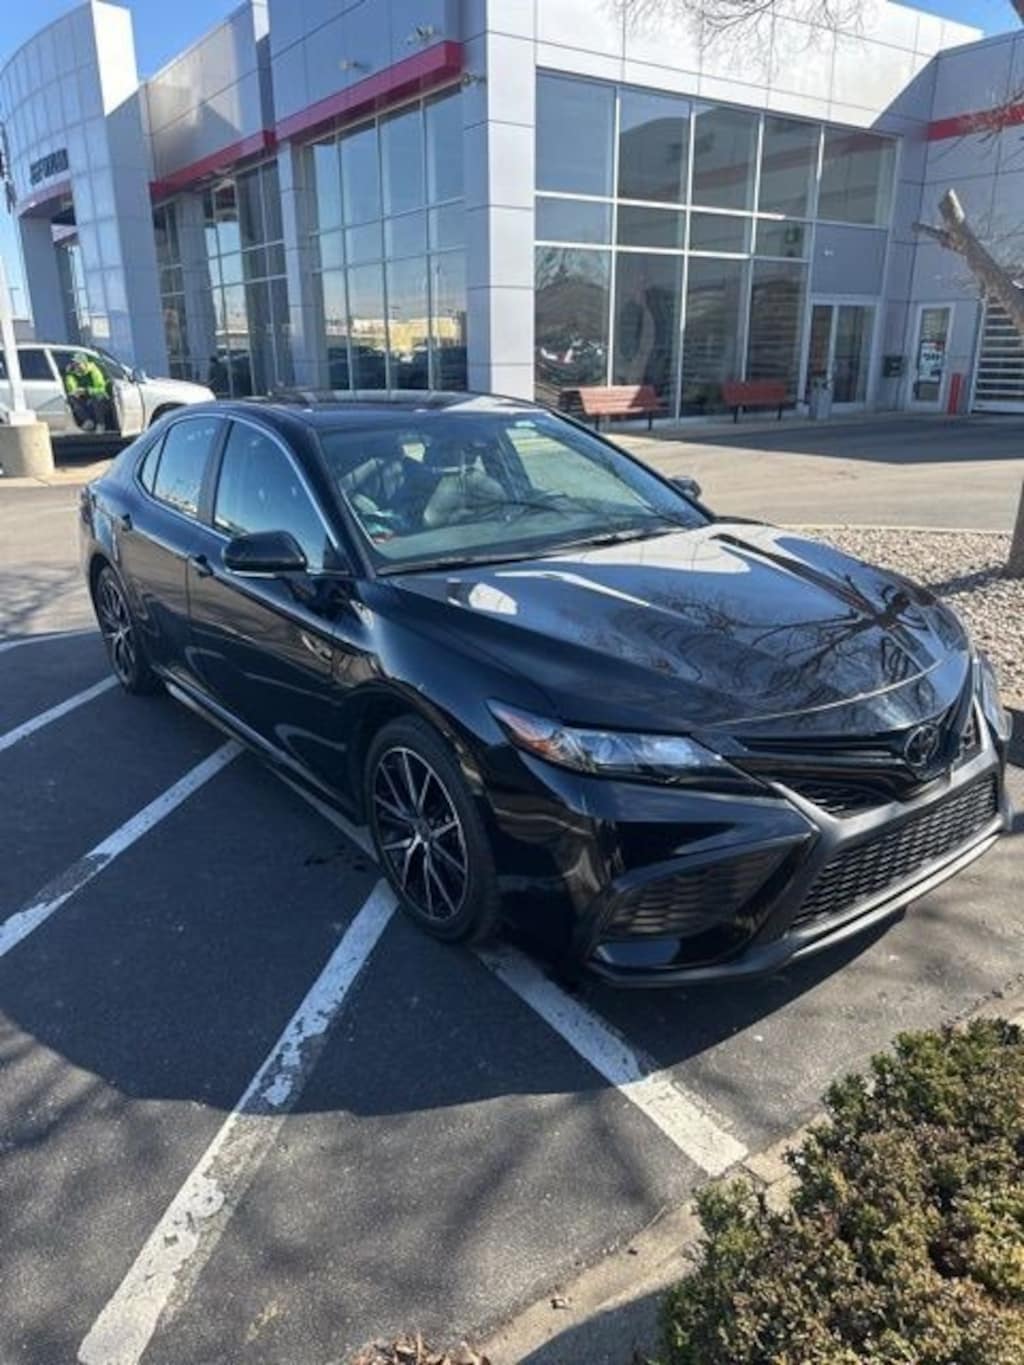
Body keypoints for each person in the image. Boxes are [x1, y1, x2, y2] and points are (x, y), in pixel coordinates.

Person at [64, 352, 113, 432]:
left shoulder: (94, 371)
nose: (77, 366)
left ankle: (101, 424)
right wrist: (69, 374)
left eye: (78, 364)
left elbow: (101, 389)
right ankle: (88, 421)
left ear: (85, 363)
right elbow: (71, 387)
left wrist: (86, 391)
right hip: (84, 397)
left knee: (97, 397)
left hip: (100, 398)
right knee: (71, 397)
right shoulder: (72, 373)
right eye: (74, 364)